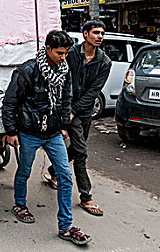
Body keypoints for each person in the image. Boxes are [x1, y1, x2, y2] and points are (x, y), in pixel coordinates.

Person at [2, 30, 91, 246]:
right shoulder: (27, 71)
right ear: (48, 49)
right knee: (24, 170)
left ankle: (66, 226)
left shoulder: (64, 70)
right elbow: (10, 102)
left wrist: (62, 125)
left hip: (52, 133)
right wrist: (11, 131)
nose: (64, 57)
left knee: (65, 176)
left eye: (67, 53)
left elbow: (66, 98)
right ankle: (20, 205)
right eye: (60, 53)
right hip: (29, 132)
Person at [45, 20, 111, 217]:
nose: (100, 36)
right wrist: (66, 110)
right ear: (85, 34)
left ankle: (54, 170)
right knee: (81, 152)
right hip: (66, 107)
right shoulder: (70, 54)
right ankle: (86, 196)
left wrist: (75, 110)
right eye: (96, 32)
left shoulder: (104, 62)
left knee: (76, 147)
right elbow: (63, 80)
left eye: (102, 33)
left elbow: (94, 92)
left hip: (84, 112)